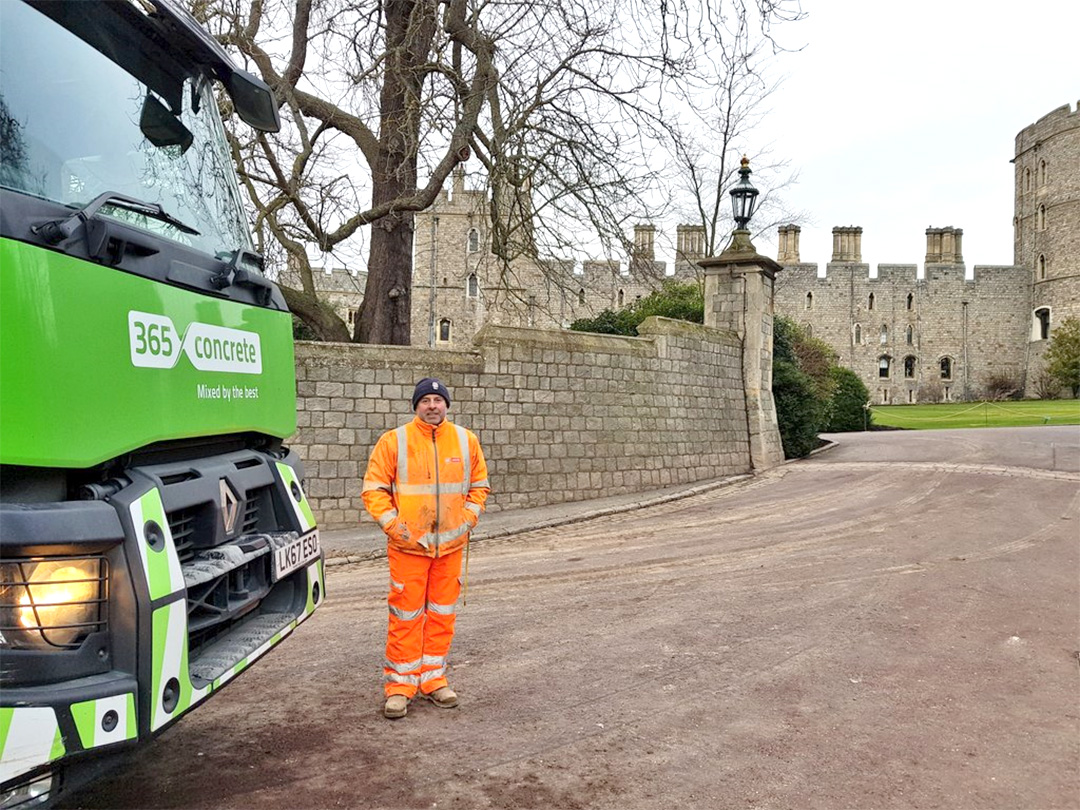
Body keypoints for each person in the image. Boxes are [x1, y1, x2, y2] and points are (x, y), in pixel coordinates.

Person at [362, 377, 490, 719]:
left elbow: (480, 487)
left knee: (442, 616)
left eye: (438, 399)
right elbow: (373, 490)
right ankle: (400, 688)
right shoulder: (394, 441)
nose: (432, 405)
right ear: (415, 406)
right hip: (408, 548)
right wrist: (396, 528)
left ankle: (434, 680)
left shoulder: (466, 440)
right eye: (425, 400)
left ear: (447, 404)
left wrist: (466, 521)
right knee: (405, 617)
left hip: (450, 548)